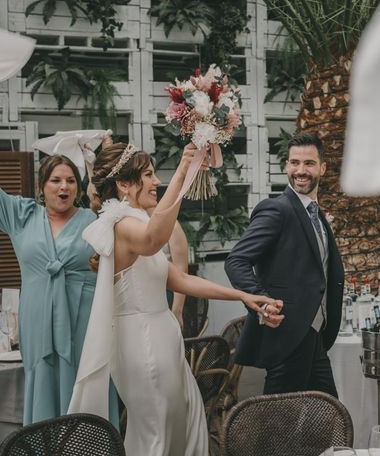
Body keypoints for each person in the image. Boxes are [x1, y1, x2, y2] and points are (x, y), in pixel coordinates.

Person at [68, 142, 283, 455]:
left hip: (163, 338)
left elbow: (180, 279)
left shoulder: (137, 220)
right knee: (158, 433)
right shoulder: (120, 226)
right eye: (149, 175)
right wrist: (184, 169)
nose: (156, 182)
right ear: (124, 185)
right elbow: (156, 239)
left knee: (182, 425)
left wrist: (243, 295)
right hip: (141, 344)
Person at [0, 154, 119, 425]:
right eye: (55, 180)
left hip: (85, 321)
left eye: (70, 181)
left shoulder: (95, 221)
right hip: (37, 320)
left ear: (78, 188)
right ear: (42, 186)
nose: (63, 187)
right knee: (42, 379)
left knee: (85, 380)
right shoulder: (22, 216)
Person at [225, 133, 345, 397]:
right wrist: (263, 300)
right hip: (287, 335)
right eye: (294, 162)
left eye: (309, 163)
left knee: (326, 415)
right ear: (286, 166)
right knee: (280, 427)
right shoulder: (276, 209)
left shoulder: (314, 213)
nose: (300, 171)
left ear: (323, 168)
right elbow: (237, 261)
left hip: (314, 336)